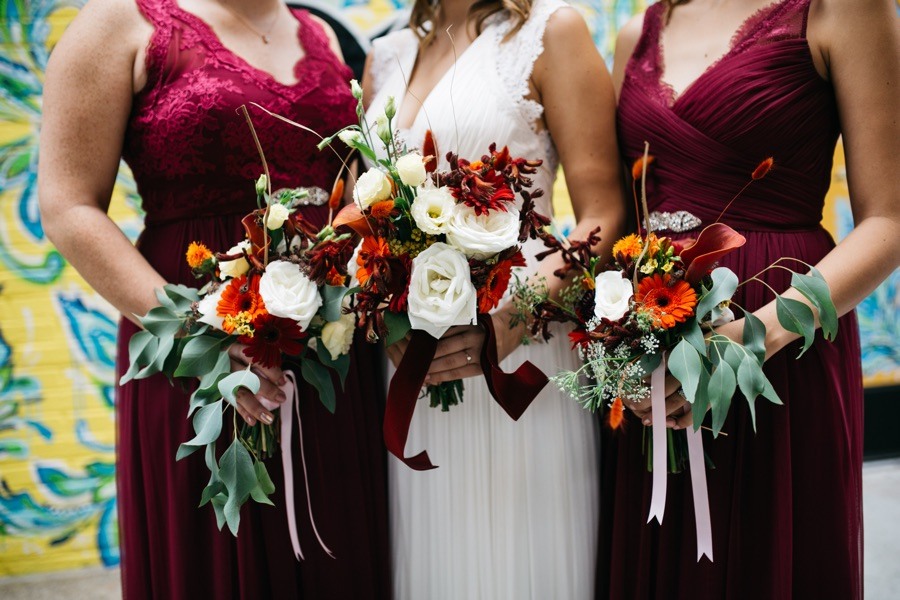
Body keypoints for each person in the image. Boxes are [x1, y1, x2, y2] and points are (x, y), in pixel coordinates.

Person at [38, 0, 390, 597]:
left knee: (337, 545)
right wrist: (200, 333)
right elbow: (68, 204)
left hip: (331, 348)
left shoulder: (323, 34)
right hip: (192, 342)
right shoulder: (119, 24)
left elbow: (354, 189)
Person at [600, 0, 899, 597]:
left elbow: (888, 221)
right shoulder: (638, 30)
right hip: (653, 347)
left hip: (781, 338)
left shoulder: (838, 9)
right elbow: (616, 210)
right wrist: (618, 341)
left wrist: (751, 339)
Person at [362, 0, 626, 597]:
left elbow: (604, 214)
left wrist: (518, 314)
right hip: (418, 361)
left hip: (521, 341)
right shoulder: (389, 52)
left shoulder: (550, 31)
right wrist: (384, 312)